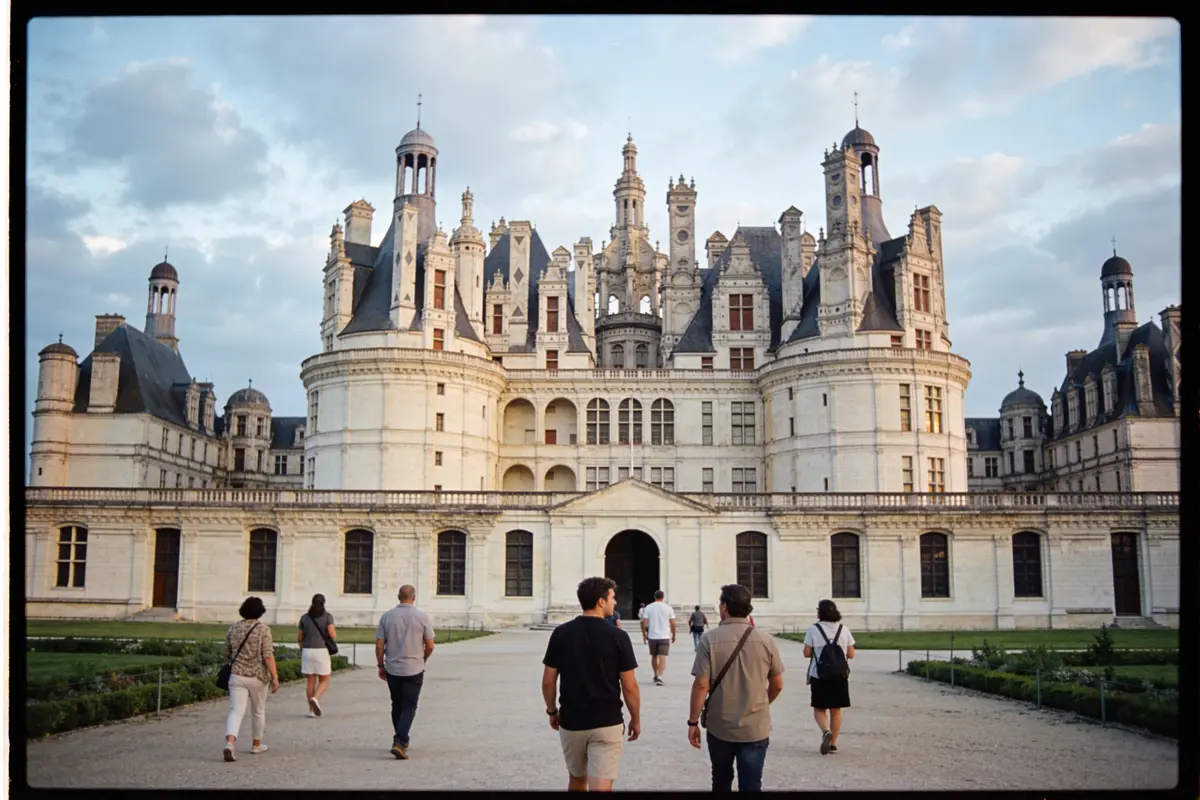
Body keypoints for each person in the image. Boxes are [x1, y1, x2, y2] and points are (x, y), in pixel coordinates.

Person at [542, 577, 641, 792]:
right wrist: (635, 717)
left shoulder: (561, 633)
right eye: (613, 598)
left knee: (577, 780)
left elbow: (548, 681)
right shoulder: (618, 637)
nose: (615, 603)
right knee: (601, 787)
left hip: (572, 720)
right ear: (601, 602)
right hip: (607, 721)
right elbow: (630, 685)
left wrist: (552, 711)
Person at [687, 584, 784, 792]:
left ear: (724, 607)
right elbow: (777, 685)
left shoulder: (709, 639)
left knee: (721, 780)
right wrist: (761, 703)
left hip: (720, 724)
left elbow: (701, 685)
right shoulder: (766, 640)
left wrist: (693, 721)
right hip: (754, 725)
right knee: (751, 784)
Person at [376, 584, 435, 760]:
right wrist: (423, 658)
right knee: (409, 706)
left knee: (397, 704)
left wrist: (380, 665)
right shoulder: (422, 617)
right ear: (414, 597)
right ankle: (400, 741)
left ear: (398, 596)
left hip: (393, 668)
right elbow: (430, 645)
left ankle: (402, 738)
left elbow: (380, 645)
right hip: (414, 668)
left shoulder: (387, 616)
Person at [222, 596, 279, 762]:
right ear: (260, 612)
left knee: (236, 711)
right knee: (258, 711)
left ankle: (230, 742)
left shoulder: (233, 628)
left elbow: (226, 652)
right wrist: (275, 676)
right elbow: (268, 655)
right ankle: (256, 744)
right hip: (257, 676)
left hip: (237, 674)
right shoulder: (263, 629)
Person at [803, 599, 856, 755]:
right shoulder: (844, 629)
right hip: (839, 674)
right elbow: (851, 654)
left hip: (819, 674)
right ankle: (833, 744)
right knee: (836, 709)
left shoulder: (814, 629)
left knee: (819, 708)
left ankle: (826, 731)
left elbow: (806, 653)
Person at [298, 593, 337, 717]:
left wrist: (302, 648)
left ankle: (311, 710)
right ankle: (316, 698)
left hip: (307, 650)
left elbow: (299, 636)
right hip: (321, 650)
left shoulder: (304, 618)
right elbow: (332, 634)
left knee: (310, 681)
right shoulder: (327, 616)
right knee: (324, 680)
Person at [640, 590, 676, 685]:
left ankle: (655, 673)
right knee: (662, 656)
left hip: (652, 635)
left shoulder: (649, 607)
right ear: (663, 597)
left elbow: (644, 622)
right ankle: (660, 676)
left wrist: (644, 634)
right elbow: (673, 623)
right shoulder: (668, 608)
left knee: (654, 656)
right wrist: (674, 635)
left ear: (654, 597)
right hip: (664, 635)